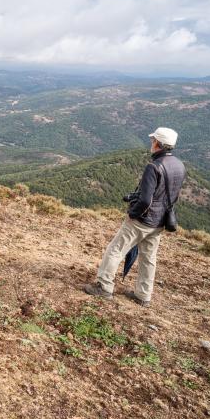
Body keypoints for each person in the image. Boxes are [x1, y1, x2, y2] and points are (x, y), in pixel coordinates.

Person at [82, 127, 186, 307]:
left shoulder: (154, 167)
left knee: (115, 250)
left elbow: (146, 199)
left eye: (153, 140)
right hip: (159, 221)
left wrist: (133, 214)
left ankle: (104, 286)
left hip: (142, 221)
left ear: (157, 144)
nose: (151, 143)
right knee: (148, 258)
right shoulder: (179, 165)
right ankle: (143, 295)